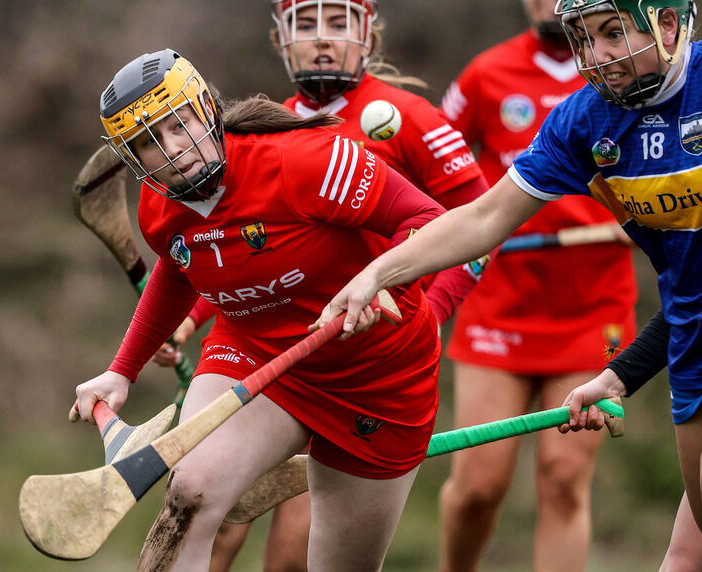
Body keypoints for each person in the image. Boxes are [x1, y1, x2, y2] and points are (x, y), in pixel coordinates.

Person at [313, 1, 702, 570]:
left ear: (669, 24)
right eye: (586, 38)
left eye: (613, 34)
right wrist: (379, 272)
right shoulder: (585, 122)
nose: (598, 56)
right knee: (692, 552)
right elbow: (483, 219)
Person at [74, 48, 459, 572]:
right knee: (189, 490)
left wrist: (380, 281)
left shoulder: (306, 160)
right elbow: (178, 266)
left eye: (179, 125)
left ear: (205, 107)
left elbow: (429, 220)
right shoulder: (157, 203)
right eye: (148, 143)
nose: (173, 152)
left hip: (377, 373)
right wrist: (122, 370)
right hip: (256, 357)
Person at [151, 2, 490, 570]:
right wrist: (186, 321)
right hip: (279, 357)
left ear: (368, 35)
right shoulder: (259, 128)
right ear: (282, 40)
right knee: (209, 512)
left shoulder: (408, 117)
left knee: (296, 551)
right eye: (305, 26)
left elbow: (477, 225)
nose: (322, 40)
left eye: (338, 24)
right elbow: (238, 251)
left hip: (369, 360)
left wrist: (432, 307)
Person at [437, 1, 637, 570]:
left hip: (592, 312)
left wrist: (648, 219)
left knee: (564, 478)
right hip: (498, 306)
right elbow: (433, 168)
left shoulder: (624, 68)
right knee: (478, 485)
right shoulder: (485, 74)